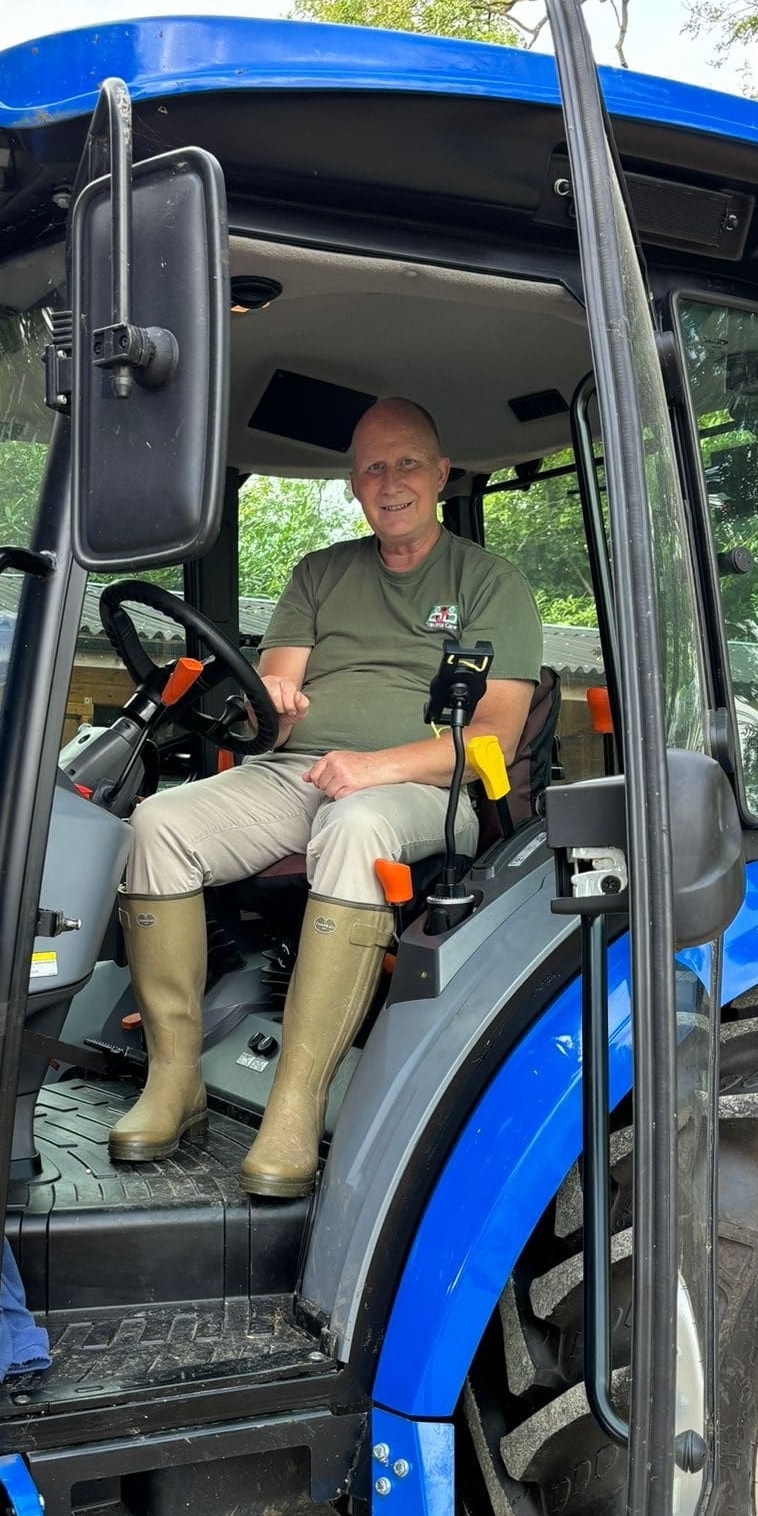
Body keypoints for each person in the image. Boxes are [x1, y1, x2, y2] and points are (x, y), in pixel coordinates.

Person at [109, 396, 543, 1197]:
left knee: (353, 826)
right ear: (353, 485)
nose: (391, 481)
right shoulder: (320, 572)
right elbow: (272, 697)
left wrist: (373, 769)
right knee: (157, 822)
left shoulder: (490, 583)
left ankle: (296, 1108)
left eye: (408, 462)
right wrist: (269, 704)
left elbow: (496, 742)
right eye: (373, 467)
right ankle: (176, 1081)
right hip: (298, 771)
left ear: (441, 475)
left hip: (424, 788)